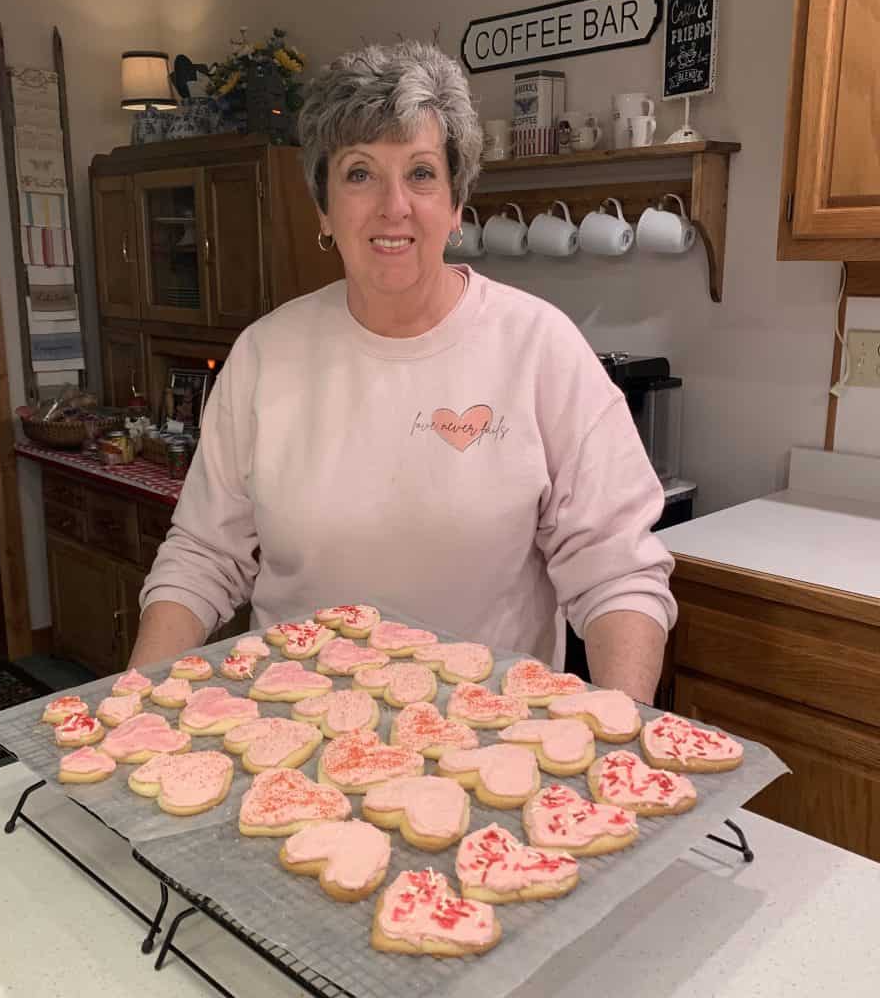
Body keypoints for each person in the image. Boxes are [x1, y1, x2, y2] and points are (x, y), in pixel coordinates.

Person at [130, 41, 676, 703]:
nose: (394, 206)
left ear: (454, 203)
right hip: (295, 740)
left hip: (491, 743)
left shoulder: (540, 349)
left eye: (420, 173)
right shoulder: (265, 357)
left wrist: (621, 739)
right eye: (360, 174)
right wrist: (131, 704)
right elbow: (203, 558)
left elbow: (616, 571)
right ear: (324, 210)